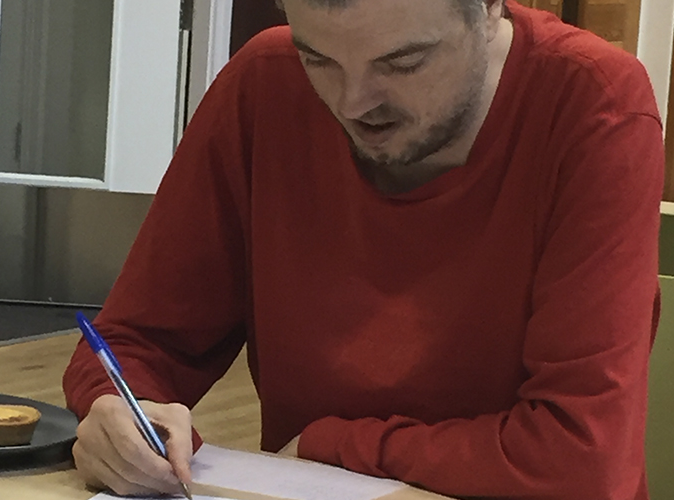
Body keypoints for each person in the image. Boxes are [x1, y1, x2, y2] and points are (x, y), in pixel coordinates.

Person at [62, 0, 664, 498]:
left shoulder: (593, 102)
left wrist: (335, 445)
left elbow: (582, 460)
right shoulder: (265, 82)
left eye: (402, 62)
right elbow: (136, 342)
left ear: (487, 9)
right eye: (319, 58)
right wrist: (121, 410)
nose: (354, 104)